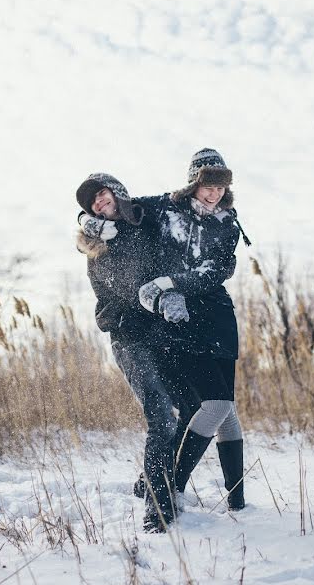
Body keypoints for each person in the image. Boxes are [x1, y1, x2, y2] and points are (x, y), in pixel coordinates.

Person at [81, 149, 248, 511]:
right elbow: (124, 208)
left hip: (212, 311)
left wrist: (170, 281)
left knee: (225, 409)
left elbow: (218, 271)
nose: (214, 192)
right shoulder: (168, 208)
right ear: (194, 182)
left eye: (221, 186)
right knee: (214, 405)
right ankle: (170, 483)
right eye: (207, 184)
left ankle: (237, 501)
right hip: (176, 319)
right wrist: (88, 221)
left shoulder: (228, 224)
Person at [75, 173, 197, 533]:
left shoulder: (149, 222)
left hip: (165, 332)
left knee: (192, 406)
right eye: (91, 202)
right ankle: (158, 507)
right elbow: (107, 303)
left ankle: (151, 478)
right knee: (160, 414)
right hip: (129, 338)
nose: (99, 202)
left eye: (102, 193)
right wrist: (129, 316)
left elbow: (174, 211)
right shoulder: (97, 251)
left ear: (118, 193)